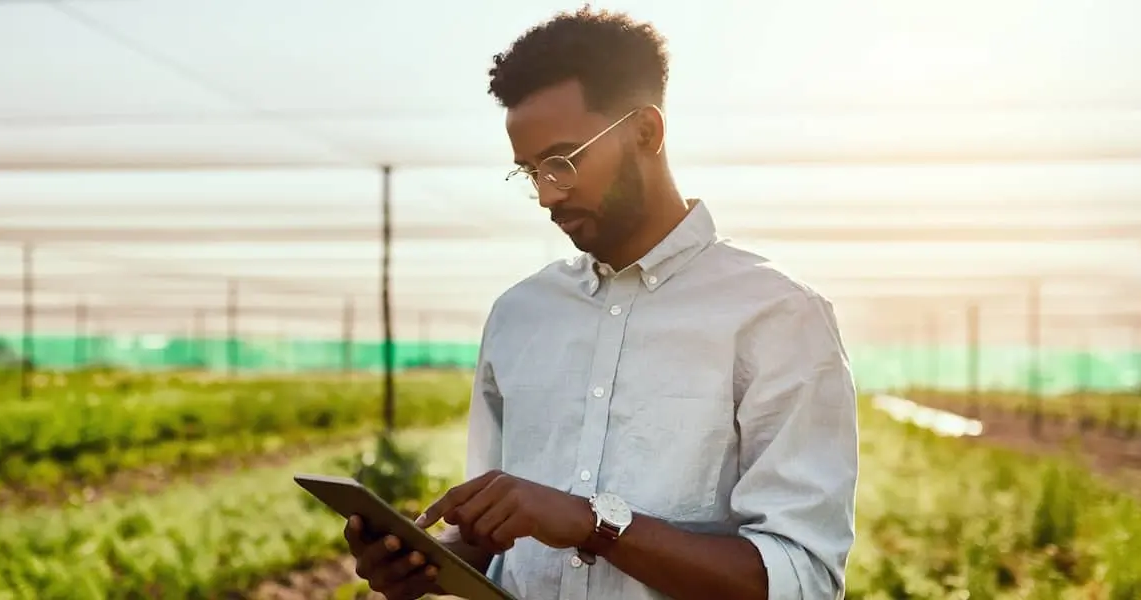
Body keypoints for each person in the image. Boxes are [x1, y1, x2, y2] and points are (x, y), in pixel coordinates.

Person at [344, 7, 859, 600]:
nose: (547, 195)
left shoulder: (778, 317)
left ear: (646, 132)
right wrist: (430, 564)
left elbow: (801, 579)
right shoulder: (519, 315)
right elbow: (492, 545)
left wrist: (594, 525)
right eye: (530, 172)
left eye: (563, 162)